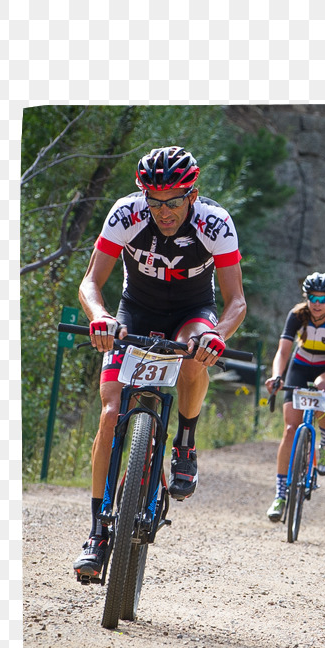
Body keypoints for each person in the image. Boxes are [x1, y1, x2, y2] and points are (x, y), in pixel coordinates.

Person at [73, 146, 247, 580]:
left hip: (192, 314)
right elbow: (92, 281)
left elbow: (236, 301)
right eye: (154, 200)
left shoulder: (215, 222)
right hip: (134, 312)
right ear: (142, 195)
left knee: (193, 355)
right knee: (111, 413)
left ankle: (185, 442)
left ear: (192, 193)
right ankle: (97, 533)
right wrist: (100, 317)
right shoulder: (126, 214)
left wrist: (216, 334)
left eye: (173, 200)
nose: (163, 211)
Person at [265, 272, 325, 521]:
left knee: (324, 386)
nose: (317, 303)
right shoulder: (297, 315)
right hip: (300, 365)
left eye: (323, 299)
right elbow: (283, 351)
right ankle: (280, 494)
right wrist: (276, 376)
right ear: (307, 297)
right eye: (313, 297)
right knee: (290, 429)